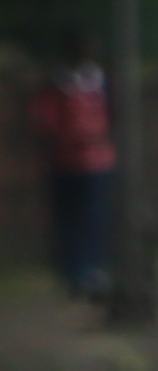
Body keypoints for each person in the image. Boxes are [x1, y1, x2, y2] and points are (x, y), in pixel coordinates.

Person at [33, 50, 121, 308]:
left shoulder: (101, 82)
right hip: (67, 163)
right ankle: (77, 272)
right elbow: (45, 123)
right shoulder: (56, 86)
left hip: (94, 161)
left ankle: (91, 270)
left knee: (91, 217)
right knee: (73, 219)